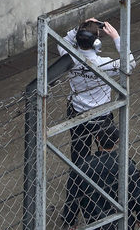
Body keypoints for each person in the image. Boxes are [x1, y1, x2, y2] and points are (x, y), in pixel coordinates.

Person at [57, 17, 136, 165]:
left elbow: (63, 41)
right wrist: (116, 37)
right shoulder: (103, 63)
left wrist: (78, 29)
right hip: (101, 115)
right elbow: (130, 63)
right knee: (106, 152)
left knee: (79, 154)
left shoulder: (68, 57)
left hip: (77, 112)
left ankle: (79, 183)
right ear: (96, 43)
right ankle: (102, 179)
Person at [63, 124, 140, 230]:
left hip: (95, 223)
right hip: (123, 223)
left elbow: (72, 198)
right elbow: (139, 197)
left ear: (97, 138)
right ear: (117, 141)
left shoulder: (82, 167)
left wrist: (70, 221)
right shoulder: (127, 165)